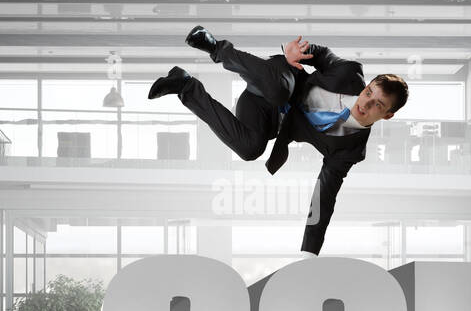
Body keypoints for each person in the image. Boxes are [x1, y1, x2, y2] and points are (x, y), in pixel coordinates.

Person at [148, 26, 408, 255]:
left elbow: (324, 197)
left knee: (250, 149)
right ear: (366, 85)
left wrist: (309, 254)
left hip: (264, 114)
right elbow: (321, 54)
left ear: (387, 115)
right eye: (368, 92)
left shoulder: (350, 149)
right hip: (278, 79)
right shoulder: (349, 73)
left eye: (377, 104)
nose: (365, 102)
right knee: (279, 89)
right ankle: (215, 47)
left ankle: (184, 85)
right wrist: (297, 52)